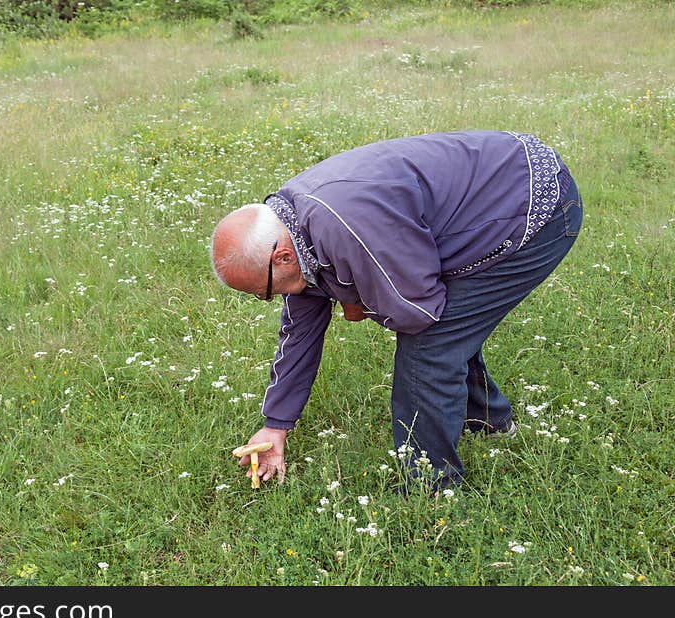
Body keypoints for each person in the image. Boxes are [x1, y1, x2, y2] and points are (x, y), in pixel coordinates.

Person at [210, 130, 583, 492]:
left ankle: (433, 488)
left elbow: (417, 310)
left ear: (283, 257)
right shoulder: (292, 231)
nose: (272, 300)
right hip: (498, 187)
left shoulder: (346, 228)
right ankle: (491, 423)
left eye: (266, 292)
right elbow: (299, 333)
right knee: (449, 331)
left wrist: (359, 300)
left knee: (430, 348)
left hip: (534, 207)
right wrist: (276, 425)